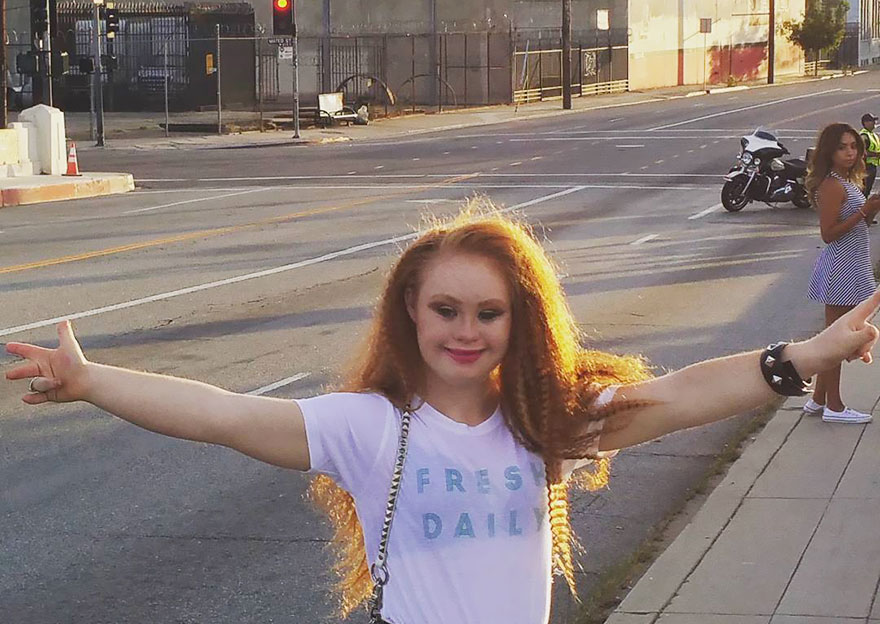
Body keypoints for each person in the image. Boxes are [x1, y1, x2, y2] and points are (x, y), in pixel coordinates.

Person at [6, 205, 880, 624]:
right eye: (446, 310)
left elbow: (686, 394)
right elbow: (223, 415)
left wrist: (804, 357)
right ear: (409, 315)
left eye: (488, 313)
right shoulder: (367, 427)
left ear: (520, 318)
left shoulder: (549, 420)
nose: (466, 330)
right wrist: (93, 382)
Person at [804, 122, 880, 424]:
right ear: (829, 152)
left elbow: (860, 223)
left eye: (853, 147)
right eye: (842, 147)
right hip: (841, 269)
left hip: (853, 264)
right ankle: (834, 407)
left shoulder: (846, 181)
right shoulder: (832, 185)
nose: (850, 153)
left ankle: (818, 400)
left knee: (833, 338)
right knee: (837, 342)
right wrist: (864, 211)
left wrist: (871, 208)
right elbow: (828, 234)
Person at [859, 112, 880, 197]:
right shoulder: (864, 135)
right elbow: (861, 151)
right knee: (863, 191)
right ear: (865, 123)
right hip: (866, 166)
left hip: (872, 166)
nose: (875, 123)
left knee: (867, 190)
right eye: (872, 121)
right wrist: (876, 154)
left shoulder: (873, 135)